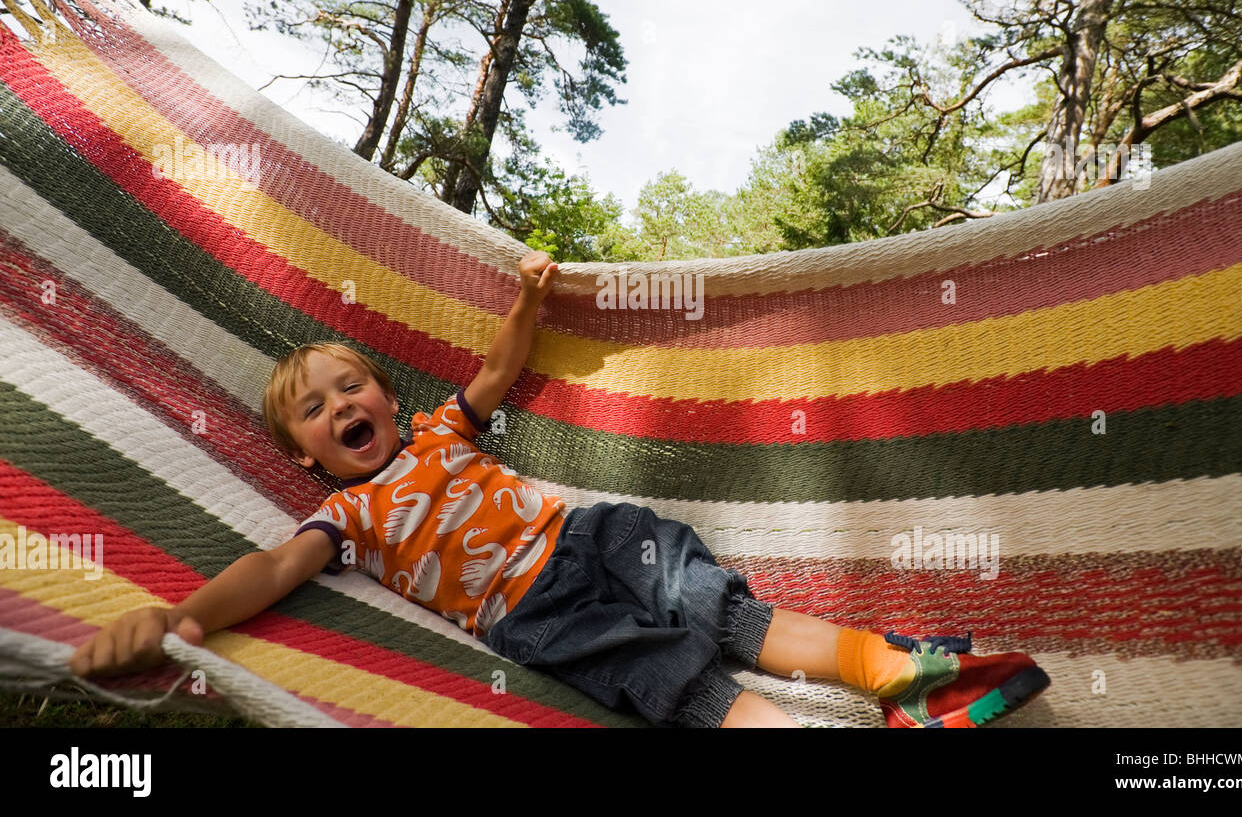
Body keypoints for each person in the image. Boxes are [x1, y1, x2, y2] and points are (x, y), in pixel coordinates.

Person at [70, 250, 1050, 727]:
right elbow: (272, 568)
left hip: (591, 539)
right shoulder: (347, 516)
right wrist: (182, 620)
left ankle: (891, 672)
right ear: (310, 460)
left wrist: (527, 300)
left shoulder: (438, 430)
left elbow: (494, 375)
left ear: (387, 398)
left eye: (351, 385)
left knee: (726, 612)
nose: (340, 405)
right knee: (682, 682)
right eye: (316, 411)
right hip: (534, 619)